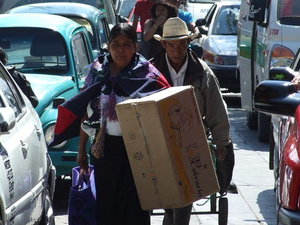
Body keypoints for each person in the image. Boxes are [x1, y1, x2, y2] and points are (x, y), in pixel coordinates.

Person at [50, 23, 170, 225]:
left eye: (127, 44)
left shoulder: (147, 73)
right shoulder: (98, 72)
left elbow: (164, 105)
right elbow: (85, 113)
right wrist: (81, 151)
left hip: (138, 151)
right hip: (104, 149)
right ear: (108, 46)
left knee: (136, 205)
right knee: (106, 204)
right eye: (116, 44)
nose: (121, 50)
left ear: (136, 47)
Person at [150, 17, 232, 225]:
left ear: (188, 43)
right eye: (172, 44)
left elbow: (216, 111)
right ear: (164, 44)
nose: (176, 49)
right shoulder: (150, 72)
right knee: (170, 193)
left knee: (184, 191)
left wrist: (221, 143)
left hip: (193, 142)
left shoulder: (203, 73)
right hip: (159, 141)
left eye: (181, 44)